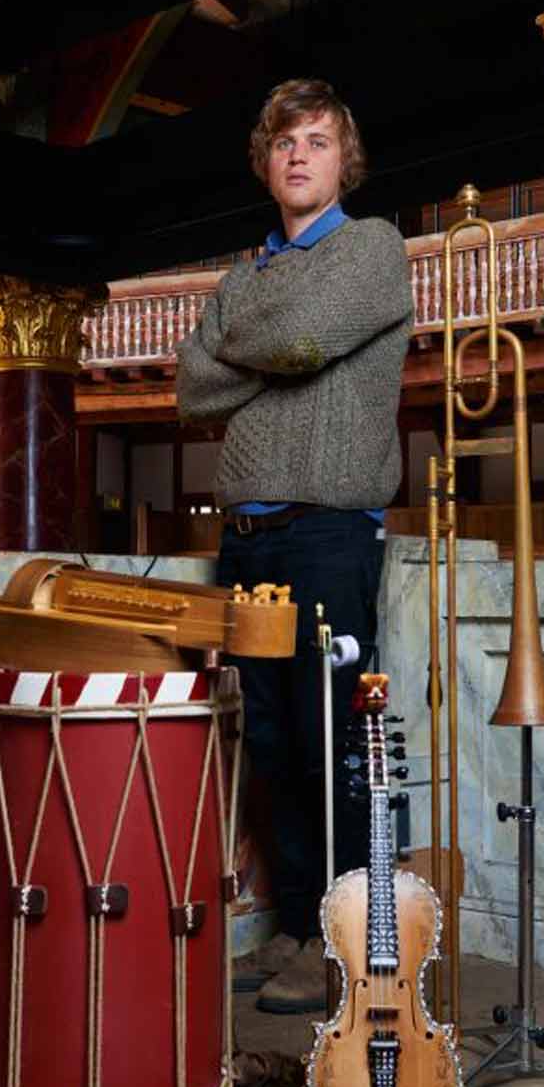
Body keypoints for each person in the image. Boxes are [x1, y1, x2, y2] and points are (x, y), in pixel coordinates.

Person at [175, 78, 412, 1013]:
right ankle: (300, 927)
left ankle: (353, 936)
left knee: (337, 741)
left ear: (341, 160)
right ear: (267, 163)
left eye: (317, 141)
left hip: (327, 533)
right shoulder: (247, 276)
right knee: (270, 741)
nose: (299, 156)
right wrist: (259, 350)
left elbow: (307, 341)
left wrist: (249, 347)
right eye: (284, 145)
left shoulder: (373, 247)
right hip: (247, 539)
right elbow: (192, 392)